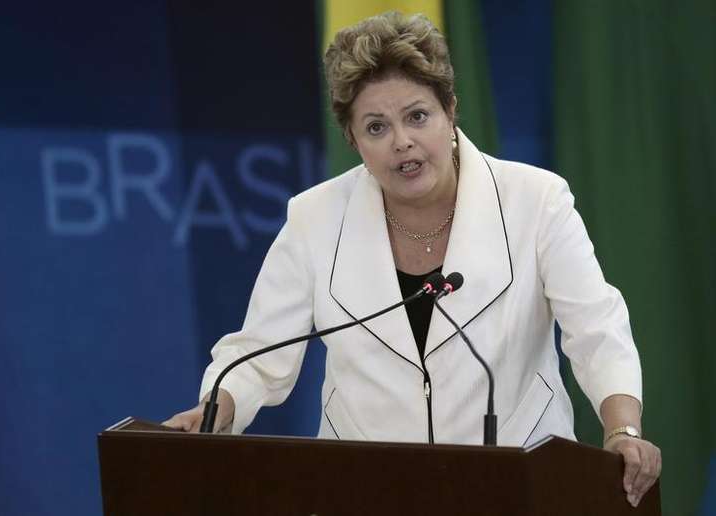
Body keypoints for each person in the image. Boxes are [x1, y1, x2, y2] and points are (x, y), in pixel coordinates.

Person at [164, 12, 661, 507]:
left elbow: (597, 329)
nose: (401, 141)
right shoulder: (315, 219)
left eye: (418, 116)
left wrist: (621, 427)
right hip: (362, 490)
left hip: (517, 485)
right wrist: (215, 409)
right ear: (354, 141)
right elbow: (257, 356)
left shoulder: (536, 201)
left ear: (451, 112)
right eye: (376, 127)